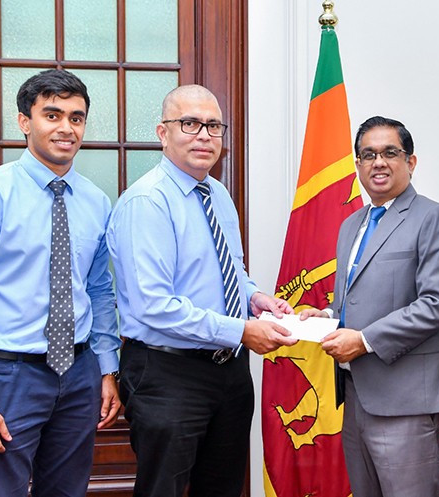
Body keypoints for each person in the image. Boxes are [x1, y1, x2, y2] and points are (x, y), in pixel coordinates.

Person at [0, 69, 121, 497]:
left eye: (76, 117)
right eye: (52, 115)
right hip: (5, 378)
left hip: (80, 375)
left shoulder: (95, 201)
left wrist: (107, 369)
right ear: (24, 121)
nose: (66, 128)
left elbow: (99, 291)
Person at [107, 84, 297, 497]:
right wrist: (242, 330)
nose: (204, 136)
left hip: (229, 371)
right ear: (163, 133)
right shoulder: (147, 202)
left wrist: (255, 298)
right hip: (167, 371)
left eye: (213, 126)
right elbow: (154, 306)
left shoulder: (217, 194)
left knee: (223, 488)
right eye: (190, 124)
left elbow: (231, 271)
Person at [299, 116, 439, 497]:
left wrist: (364, 340)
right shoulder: (351, 225)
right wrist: (327, 317)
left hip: (405, 399)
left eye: (390, 153)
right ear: (357, 164)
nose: (379, 162)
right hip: (355, 394)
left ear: (411, 162)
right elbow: (356, 300)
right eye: (368, 154)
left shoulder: (433, 217)